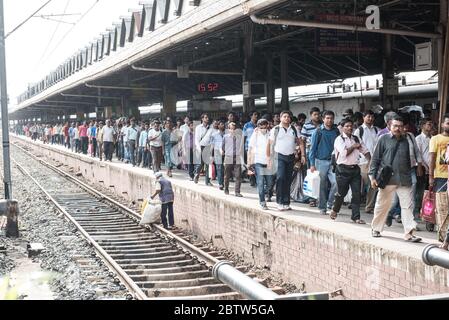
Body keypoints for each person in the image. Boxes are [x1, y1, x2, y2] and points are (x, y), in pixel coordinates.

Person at [369, 116, 422, 242]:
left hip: (404, 178)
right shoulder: (384, 139)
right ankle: (376, 228)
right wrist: (372, 177)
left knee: (407, 206)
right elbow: (375, 159)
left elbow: (413, 155)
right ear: (390, 126)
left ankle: (409, 233)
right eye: (395, 126)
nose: (398, 128)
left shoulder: (407, 139)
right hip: (388, 178)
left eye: (400, 126)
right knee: (382, 204)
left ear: (403, 127)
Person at [330, 119, 371, 224]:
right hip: (343, 169)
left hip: (355, 169)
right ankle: (335, 209)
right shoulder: (339, 139)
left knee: (357, 193)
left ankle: (356, 216)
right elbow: (344, 153)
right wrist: (353, 146)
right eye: (347, 126)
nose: (349, 128)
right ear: (342, 128)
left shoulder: (356, 138)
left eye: (351, 126)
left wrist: (370, 160)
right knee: (341, 193)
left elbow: (365, 150)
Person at [267, 111, 303, 211]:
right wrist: (269, 158)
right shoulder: (276, 129)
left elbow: (300, 142)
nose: (287, 118)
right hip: (279, 156)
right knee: (280, 178)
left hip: (290, 156)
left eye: (288, 117)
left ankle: (286, 202)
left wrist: (303, 155)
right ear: (280, 118)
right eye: (285, 116)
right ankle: (279, 202)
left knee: (288, 179)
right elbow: (269, 144)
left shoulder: (294, 129)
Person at [309, 111, 339, 215]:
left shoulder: (336, 131)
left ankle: (329, 203)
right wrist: (312, 164)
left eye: (331, 118)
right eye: (327, 118)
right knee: (322, 185)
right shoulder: (318, 131)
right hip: (320, 161)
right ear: (323, 119)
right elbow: (312, 149)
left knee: (336, 182)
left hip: (333, 161)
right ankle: (322, 207)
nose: (329, 120)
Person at [354, 110, 379, 214]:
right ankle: (356, 203)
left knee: (373, 184)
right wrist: (367, 158)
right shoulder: (359, 131)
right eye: (368, 116)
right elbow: (358, 145)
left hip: (376, 161)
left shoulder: (377, 130)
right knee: (363, 184)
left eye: (372, 117)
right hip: (363, 161)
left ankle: (369, 207)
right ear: (363, 117)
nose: (370, 118)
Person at [429, 114, 449, 241]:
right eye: (447, 123)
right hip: (441, 177)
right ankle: (442, 236)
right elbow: (431, 158)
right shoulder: (436, 139)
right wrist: (431, 176)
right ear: (442, 124)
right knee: (442, 208)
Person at [248, 118, 273, 210]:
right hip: (258, 161)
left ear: (267, 125)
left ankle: (268, 194)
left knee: (270, 183)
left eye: (264, 125)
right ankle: (262, 201)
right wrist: (249, 163)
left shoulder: (270, 134)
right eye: (261, 126)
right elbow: (250, 149)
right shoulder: (255, 134)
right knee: (260, 182)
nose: (263, 127)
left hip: (268, 161)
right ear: (258, 126)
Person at [414, 118, 433, 218]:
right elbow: (418, 155)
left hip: (432, 169)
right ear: (422, 126)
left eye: (430, 124)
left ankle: (427, 212)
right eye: (428, 124)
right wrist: (421, 167)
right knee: (420, 191)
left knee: (429, 192)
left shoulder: (433, 138)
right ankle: (417, 210)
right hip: (423, 168)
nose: (430, 126)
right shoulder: (418, 139)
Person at [222, 122, 244, 197]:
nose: (232, 130)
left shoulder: (239, 137)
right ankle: (226, 188)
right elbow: (222, 147)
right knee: (227, 175)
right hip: (228, 157)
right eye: (231, 129)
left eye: (234, 129)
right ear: (228, 129)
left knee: (238, 175)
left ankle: (237, 191)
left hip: (237, 157)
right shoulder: (225, 137)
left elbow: (241, 148)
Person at [194, 114, 212, 186]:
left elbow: (211, 138)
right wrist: (198, 148)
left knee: (208, 164)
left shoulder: (210, 128)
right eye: (205, 117)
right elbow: (197, 139)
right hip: (200, 146)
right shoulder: (198, 127)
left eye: (207, 117)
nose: (207, 119)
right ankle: (196, 174)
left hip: (207, 147)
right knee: (200, 164)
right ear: (202, 119)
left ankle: (207, 181)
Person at [243, 112, 259, 187]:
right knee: (250, 164)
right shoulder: (246, 125)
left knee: (256, 164)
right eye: (254, 115)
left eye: (257, 115)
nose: (256, 116)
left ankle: (256, 179)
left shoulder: (259, 125)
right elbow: (244, 136)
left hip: (258, 147)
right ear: (251, 116)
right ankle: (252, 180)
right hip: (249, 147)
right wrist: (242, 147)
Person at [210, 120, 226, 190]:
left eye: (223, 124)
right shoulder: (214, 135)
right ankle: (220, 183)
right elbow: (212, 145)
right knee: (219, 168)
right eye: (221, 124)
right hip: (217, 152)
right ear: (218, 126)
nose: (223, 125)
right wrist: (211, 155)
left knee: (225, 169)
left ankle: (224, 182)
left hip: (226, 152)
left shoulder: (227, 134)